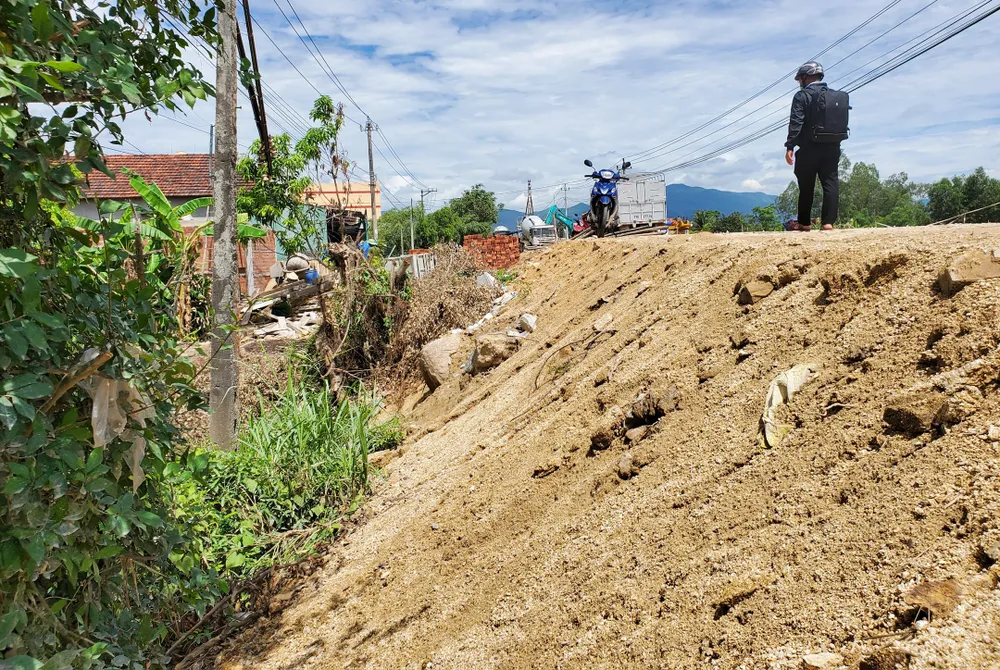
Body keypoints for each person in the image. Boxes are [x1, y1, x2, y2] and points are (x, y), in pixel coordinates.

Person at [785, 61, 842, 232]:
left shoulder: (802, 96)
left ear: (805, 77)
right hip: (832, 146)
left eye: (799, 79)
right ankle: (828, 223)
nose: (799, 83)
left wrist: (790, 146)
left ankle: (804, 223)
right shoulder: (834, 96)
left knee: (806, 184)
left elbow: (796, 122)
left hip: (809, 148)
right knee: (830, 183)